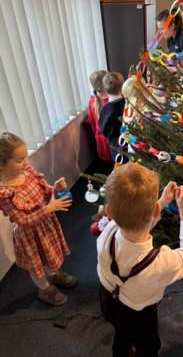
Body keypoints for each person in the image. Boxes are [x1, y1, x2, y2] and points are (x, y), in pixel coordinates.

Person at [97, 163, 183, 357]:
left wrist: (160, 202)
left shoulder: (107, 232)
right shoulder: (161, 263)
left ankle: (122, 352)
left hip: (107, 301)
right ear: (155, 211)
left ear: (109, 213)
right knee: (148, 347)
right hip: (139, 316)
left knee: (121, 336)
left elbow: (132, 228)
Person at [0, 132, 77, 306]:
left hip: (45, 225)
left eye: (25, 157)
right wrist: (49, 209)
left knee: (49, 254)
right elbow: (22, 221)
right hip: (29, 234)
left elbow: (46, 191)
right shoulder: (5, 193)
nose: (26, 162)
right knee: (37, 266)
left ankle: (54, 275)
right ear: (1, 165)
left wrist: (55, 189)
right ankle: (45, 289)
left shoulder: (28, 173)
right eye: (19, 160)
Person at [98, 72, 125, 167]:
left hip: (115, 145)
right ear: (122, 87)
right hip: (130, 142)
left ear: (105, 90)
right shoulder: (128, 102)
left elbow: (102, 129)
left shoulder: (105, 108)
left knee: (118, 166)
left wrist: (111, 136)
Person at [156, 9, 183, 73]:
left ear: (172, 26)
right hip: (176, 73)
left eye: (162, 29)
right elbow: (174, 59)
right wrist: (164, 62)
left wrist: (171, 69)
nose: (160, 33)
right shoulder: (170, 39)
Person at [88, 70, 112, 162]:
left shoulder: (92, 101)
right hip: (112, 141)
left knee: (104, 166)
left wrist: (96, 135)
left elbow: (92, 122)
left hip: (100, 140)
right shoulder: (111, 102)